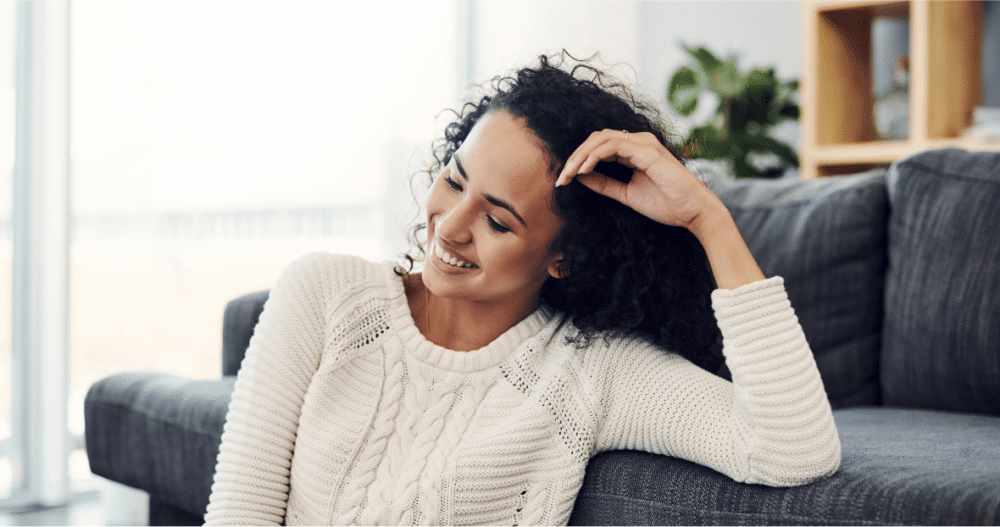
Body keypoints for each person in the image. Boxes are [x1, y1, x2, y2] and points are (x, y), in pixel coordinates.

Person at [204, 52, 840, 526]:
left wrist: (708, 218)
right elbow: (239, 511)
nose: (449, 227)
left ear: (562, 256)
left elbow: (791, 449)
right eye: (454, 182)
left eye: (497, 219)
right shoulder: (325, 294)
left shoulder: (592, 375)